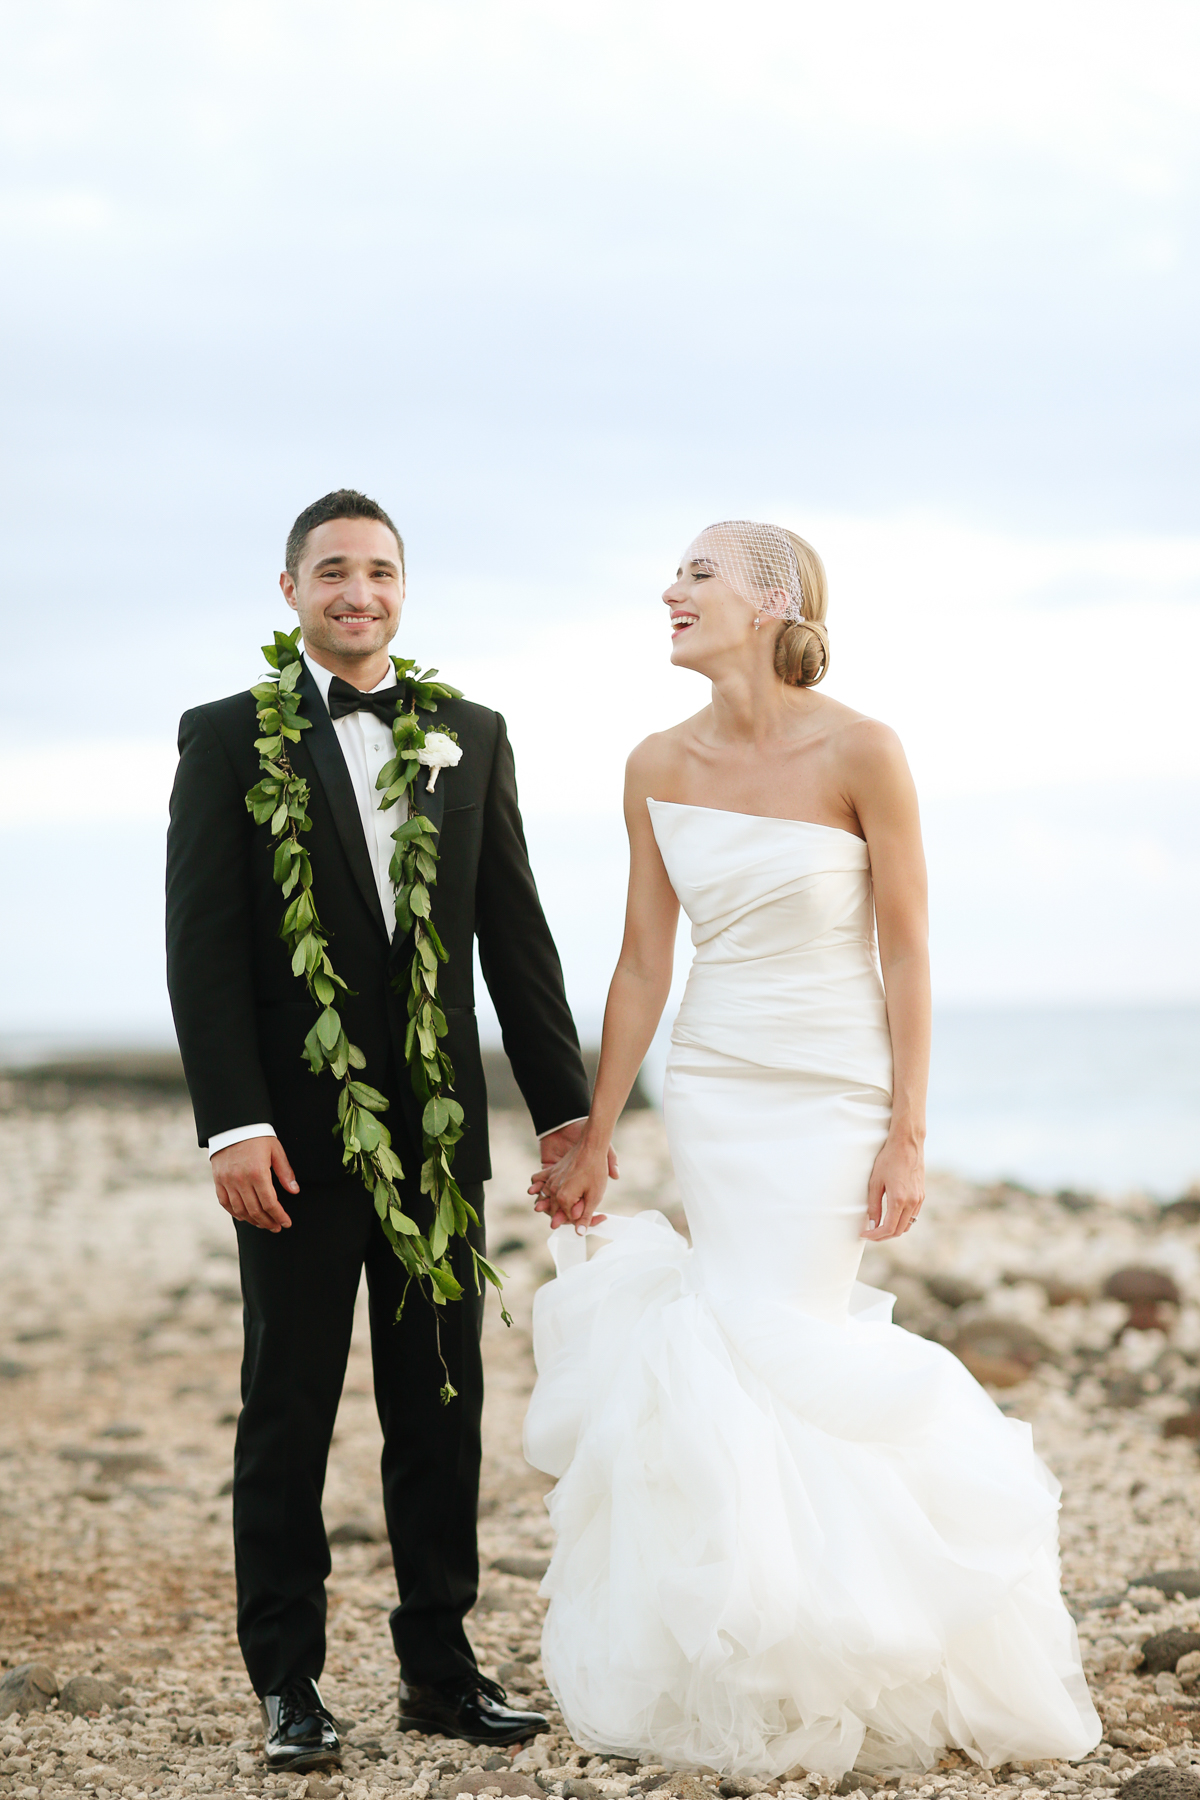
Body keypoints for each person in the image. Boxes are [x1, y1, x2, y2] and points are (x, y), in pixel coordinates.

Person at [523, 522, 1100, 1780]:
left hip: (836, 1094)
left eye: (696, 574)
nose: (668, 591)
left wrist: (908, 1131)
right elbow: (639, 962)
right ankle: (751, 1655)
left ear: (771, 600)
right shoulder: (652, 763)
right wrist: (598, 1127)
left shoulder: (863, 750)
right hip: (720, 1087)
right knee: (729, 1337)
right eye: (675, 574)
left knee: (794, 1345)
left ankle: (871, 1631)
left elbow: (908, 948)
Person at [166, 489, 610, 1772]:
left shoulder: (470, 734)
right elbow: (204, 951)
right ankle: (288, 1686)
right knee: (288, 1407)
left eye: (379, 572)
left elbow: (516, 943)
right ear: (292, 591)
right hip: (293, 1149)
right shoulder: (222, 738)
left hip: (438, 1145)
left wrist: (567, 1114)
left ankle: (440, 1668)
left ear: (402, 591)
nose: (357, 592)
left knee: (439, 1405)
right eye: (332, 572)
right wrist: (233, 1124)